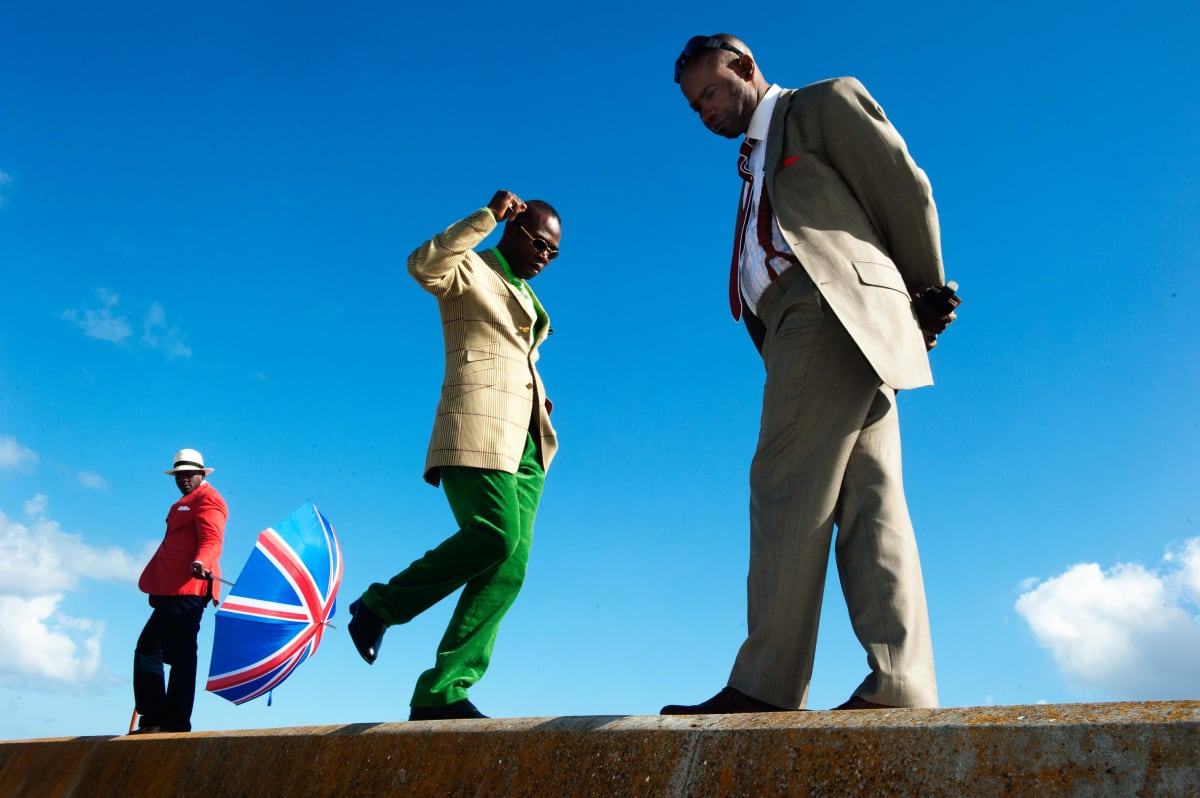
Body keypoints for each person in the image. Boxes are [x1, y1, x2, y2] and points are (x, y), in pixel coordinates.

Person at [662, 35, 958, 715]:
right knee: (869, 503)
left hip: (826, 309)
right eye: (693, 105)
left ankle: (765, 684)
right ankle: (901, 685)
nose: (703, 111)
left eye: (709, 91)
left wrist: (926, 291)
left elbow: (901, 183)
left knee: (782, 483)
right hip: (813, 331)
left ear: (744, 65)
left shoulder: (821, 104)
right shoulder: (750, 161)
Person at [348, 190, 561, 721]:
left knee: (509, 568)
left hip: (528, 443)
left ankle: (442, 691)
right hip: (477, 428)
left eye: (554, 253)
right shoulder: (471, 271)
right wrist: (486, 217)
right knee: (494, 532)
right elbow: (424, 264)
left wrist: (535, 392)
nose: (544, 257)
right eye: (538, 243)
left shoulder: (533, 302)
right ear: (513, 228)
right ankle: (378, 606)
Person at [131, 448, 227, 733]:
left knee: (168, 652)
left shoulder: (209, 499)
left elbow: (212, 539)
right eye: (179, 475)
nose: (184, 479)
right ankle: (161, 719)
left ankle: (166, 721)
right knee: (160, 651)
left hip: (190, 588)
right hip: (170, 591)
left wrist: (201, 561)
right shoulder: (182, 503)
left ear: (201, 474)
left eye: (189, 474)